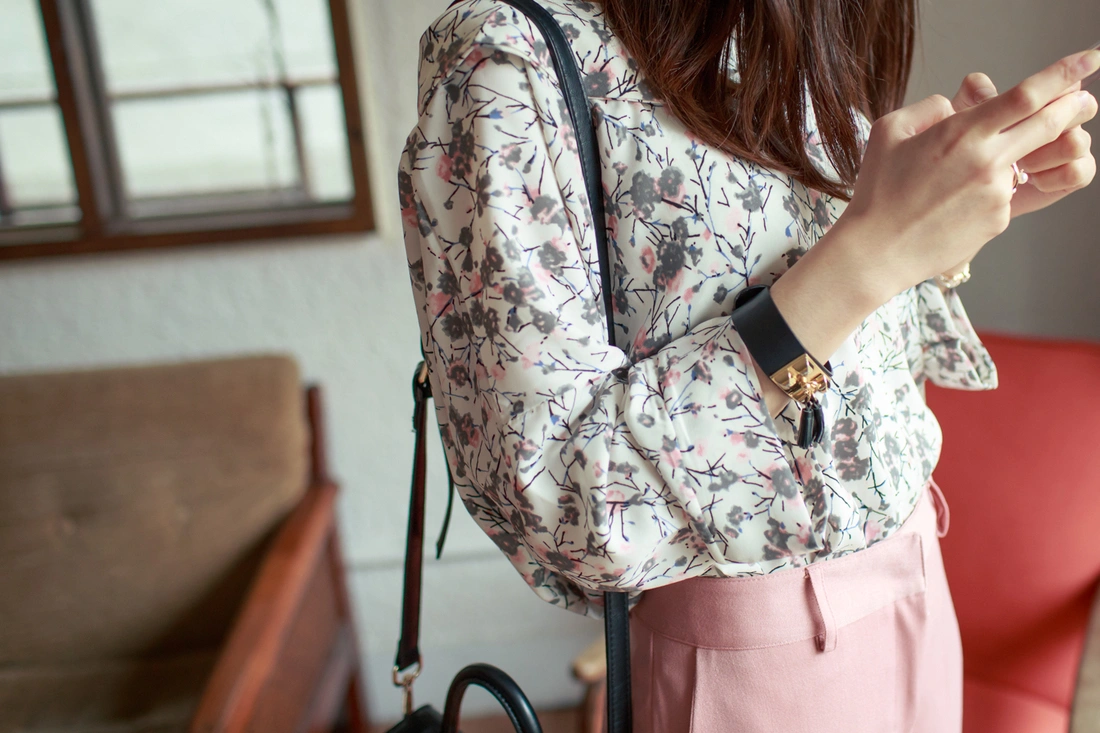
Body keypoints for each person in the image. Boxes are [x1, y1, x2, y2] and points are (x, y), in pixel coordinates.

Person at [398, 0, 1098, 729]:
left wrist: (938, 227)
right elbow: (564, 505)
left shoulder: (796, 26)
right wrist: (877, 248)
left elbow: (847, 351)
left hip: (921, 577)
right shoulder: (510, 58)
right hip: (758, 652)